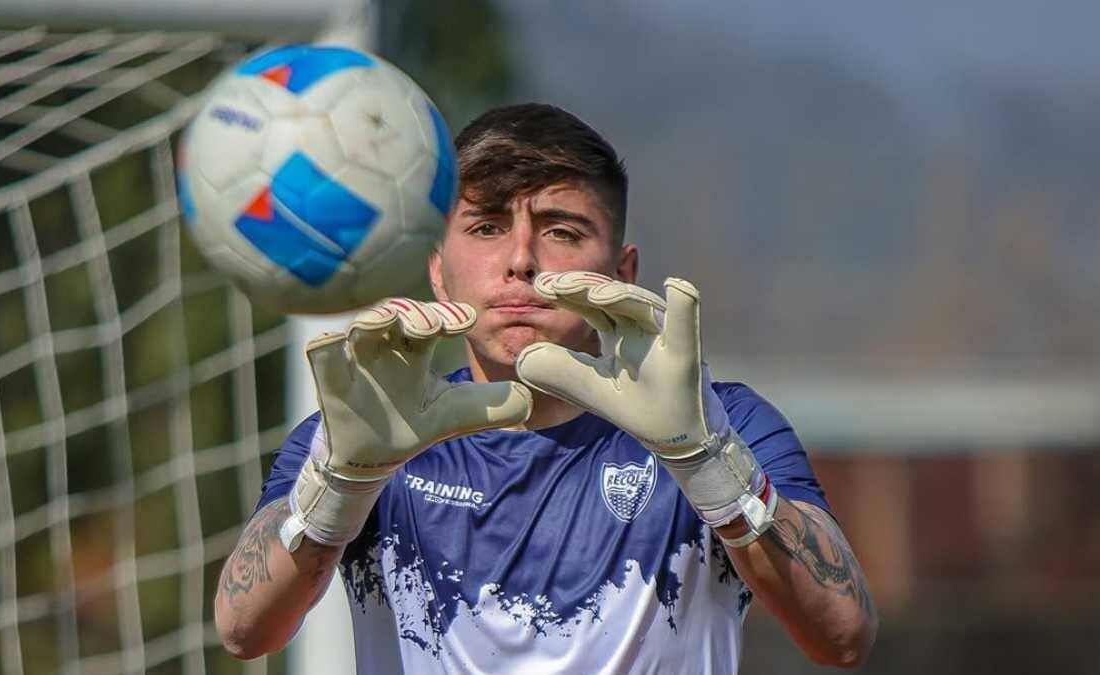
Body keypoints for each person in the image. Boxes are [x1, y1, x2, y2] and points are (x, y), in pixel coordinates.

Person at [213, 103, 878, 673]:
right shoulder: (369, 431)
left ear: (623, 270)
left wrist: (710, 464)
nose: (522, 258)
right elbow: (244, 629)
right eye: (486, 226)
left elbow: (843, 633)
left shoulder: (722, 421)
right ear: (439, 272)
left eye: (561, 230)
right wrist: (339, 483)